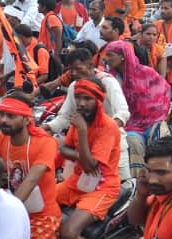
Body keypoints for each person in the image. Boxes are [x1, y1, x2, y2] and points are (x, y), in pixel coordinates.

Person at [0, 95, 62, 239]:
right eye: (2, 115)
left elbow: (31, 179)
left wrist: (9, 210)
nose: (3, 120)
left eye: (11, 116)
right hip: (12, 207)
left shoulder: (45, 143)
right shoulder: (0, 140)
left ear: (26, 118)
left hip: (41, 214)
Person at [56, 78, 121, 239]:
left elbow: (90, 165)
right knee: (38, 205)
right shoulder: (79, 121)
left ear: (99, 101)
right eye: (78, 98)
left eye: (87, 98)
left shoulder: (107, 127)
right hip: (78, 180)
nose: (82, 103)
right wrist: (80, 154)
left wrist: (82, 131)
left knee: (69, 234)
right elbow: (64, 149)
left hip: (103, 186)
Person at [42, 48, 131, 179]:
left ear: (90, 65)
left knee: (120, 189)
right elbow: (65, 117)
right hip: (84, 148)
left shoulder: (107, 82)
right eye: (70, 70)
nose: (73, 73)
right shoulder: (74, 86)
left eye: (78, 69)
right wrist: (47, 127)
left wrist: (105, 130)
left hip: (113, 148)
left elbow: (123, 112)